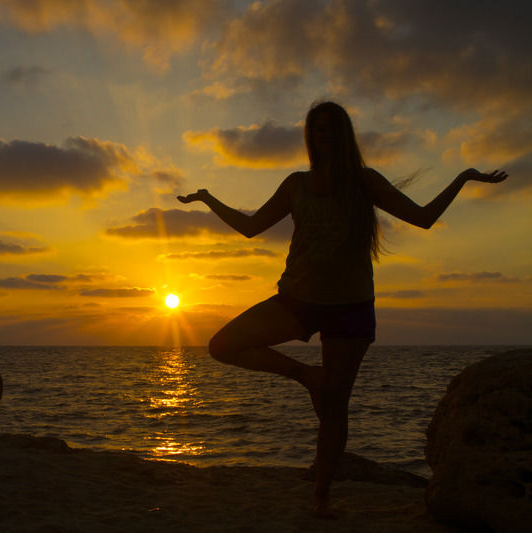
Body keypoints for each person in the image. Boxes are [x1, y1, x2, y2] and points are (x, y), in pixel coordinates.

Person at [177, 101, 507, 518]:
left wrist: (462, 177)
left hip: (350, 309)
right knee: (222, 344)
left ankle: (321, 496)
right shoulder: (296, 184)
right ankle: (308, 376)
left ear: (344, 135)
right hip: (296, 299)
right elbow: (250, 227)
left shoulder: (364, 182)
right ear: (310, 137)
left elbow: (422, 218)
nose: (324, 137)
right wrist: (208, 198)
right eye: (318, 130)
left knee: (335, 407)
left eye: (332, 129)